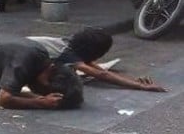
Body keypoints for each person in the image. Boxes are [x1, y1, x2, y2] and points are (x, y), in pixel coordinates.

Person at [28, 28, 167, 92]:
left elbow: (99, 70)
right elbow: (101, 74)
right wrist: (141, 86)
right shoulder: (66, 53)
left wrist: (134, 80)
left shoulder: (71, 46)